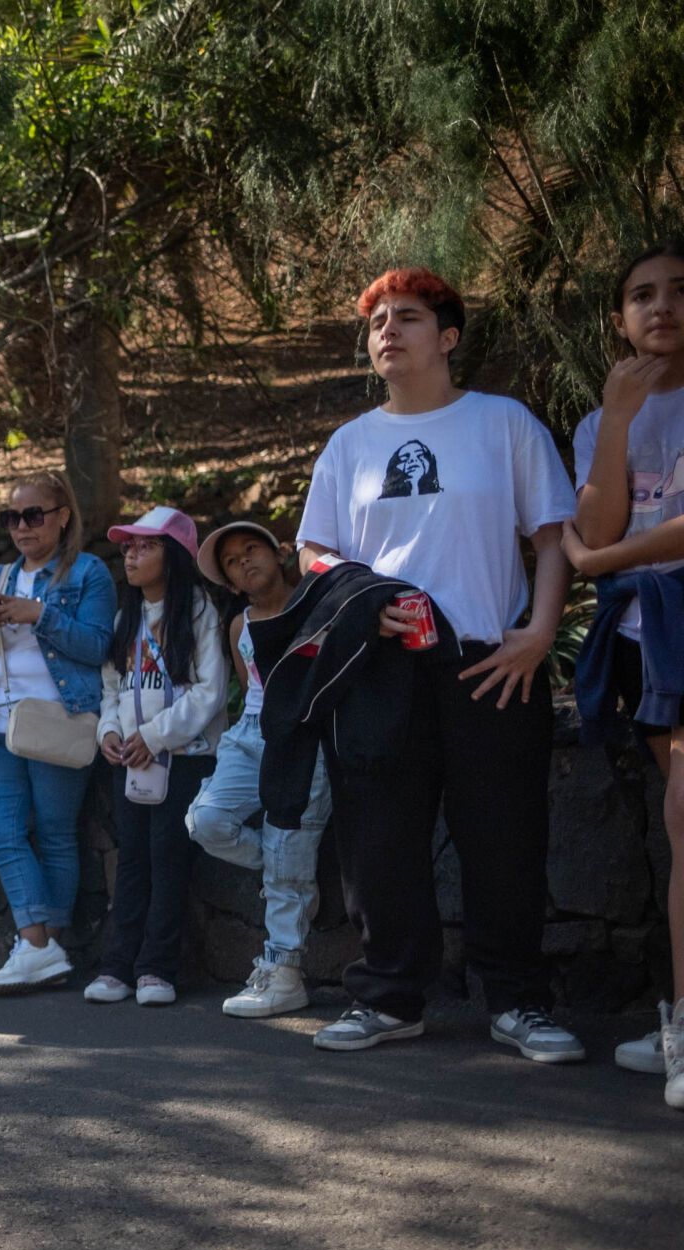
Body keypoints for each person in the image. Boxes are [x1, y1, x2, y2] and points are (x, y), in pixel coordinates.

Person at [297, 267, 582, 1062]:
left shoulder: (504, 424)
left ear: (448, 337)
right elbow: (315, 551)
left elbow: (553, 536)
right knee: (379, 841)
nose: (388, 329)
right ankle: (390, 997)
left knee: (505, 837)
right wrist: (362, 598)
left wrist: (538, 631)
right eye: (377, 320)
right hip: (379, 667)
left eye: (409, 317)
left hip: (492, 662)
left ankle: (518, 1002)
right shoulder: (349, 444)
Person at [560, 240, 684, 1105]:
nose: (661, 307)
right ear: (618, 318)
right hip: (651, 637)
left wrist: (592, 555)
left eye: (679, 291)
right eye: (642, 295)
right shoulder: (599, 417)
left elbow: (602, 544)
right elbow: (598, 519)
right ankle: (678, 1016)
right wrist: (613, 420)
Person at [0, 475, 117, 997]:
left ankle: (43, 949)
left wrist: (40, 615)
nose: (23, 527)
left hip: (60, 718)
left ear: (62, 516)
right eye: (13, 518)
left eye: (34, 515)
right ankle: (37, 947)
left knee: (55, 833)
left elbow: (99, 646)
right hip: (0, 721)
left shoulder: (89, 572)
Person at [183, 522, 331, 1017]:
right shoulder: (239, 626)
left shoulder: (315, 606)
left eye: (253, 549)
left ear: (281, 552)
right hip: (250, 734)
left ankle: (283, 970)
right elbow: (252, 688)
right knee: (206, 820)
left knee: (290, 840)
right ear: (229, 581)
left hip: (302, 739)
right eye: (232, 561)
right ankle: (283, 866)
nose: (245, 561)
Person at [85, 507, 226, 1008]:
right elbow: (111, 687)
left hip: (185, 758)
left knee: (169, 858)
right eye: (127, 547)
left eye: (146, 546)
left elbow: (210, 692)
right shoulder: (126, 618)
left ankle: (156, 968)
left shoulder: (199, 613)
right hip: (134, 760)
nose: (131, 555)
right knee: (132, 862)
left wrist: (156, 735)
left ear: (177, 556)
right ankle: (118, 966)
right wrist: (111, 730)